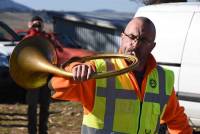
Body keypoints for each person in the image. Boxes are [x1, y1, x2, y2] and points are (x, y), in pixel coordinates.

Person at [48, 17, 193, 134]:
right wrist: (74, 68)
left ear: (152, 46)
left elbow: (176, 120)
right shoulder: (100, 69)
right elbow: (56, 87)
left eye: (143, 40)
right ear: (122, 37)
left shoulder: (163, 78)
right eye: (131, 37)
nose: (134, 45)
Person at [24, 16, 63, 134]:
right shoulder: (28, 37)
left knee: (45, 106)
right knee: (32, 106)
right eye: (34, 24)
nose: (37, 26)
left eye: (39, 24)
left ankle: (43, 131)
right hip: (33, 77)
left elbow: (58, 51)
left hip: (47, 76)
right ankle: (31, 131)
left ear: (43, 25)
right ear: (29, 24)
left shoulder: (47, 37)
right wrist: (32, 31)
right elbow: (22, 49)